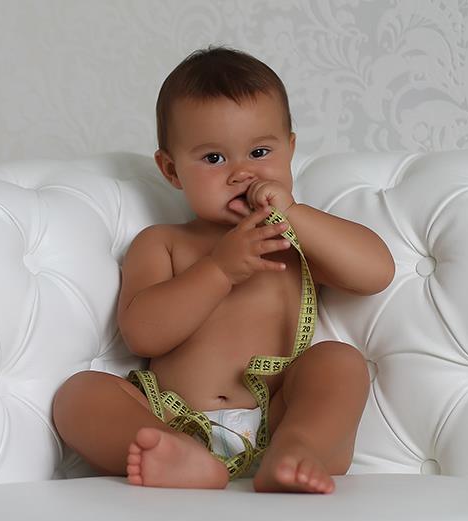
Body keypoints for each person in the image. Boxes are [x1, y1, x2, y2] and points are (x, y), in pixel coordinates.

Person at [52, 46, 395, 494]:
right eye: (214, 158)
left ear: (290, 150)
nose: (241, 174)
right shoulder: (164, 243)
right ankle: (180, 457)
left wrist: (293, 214)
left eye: (260, 151)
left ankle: (298, 447)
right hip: (171, 417)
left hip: (276, 415)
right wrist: (219, 270)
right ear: (172, 170)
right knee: (78, 394)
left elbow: (375, 272)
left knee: (338, 361)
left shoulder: (292, 240)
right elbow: (143, 335)